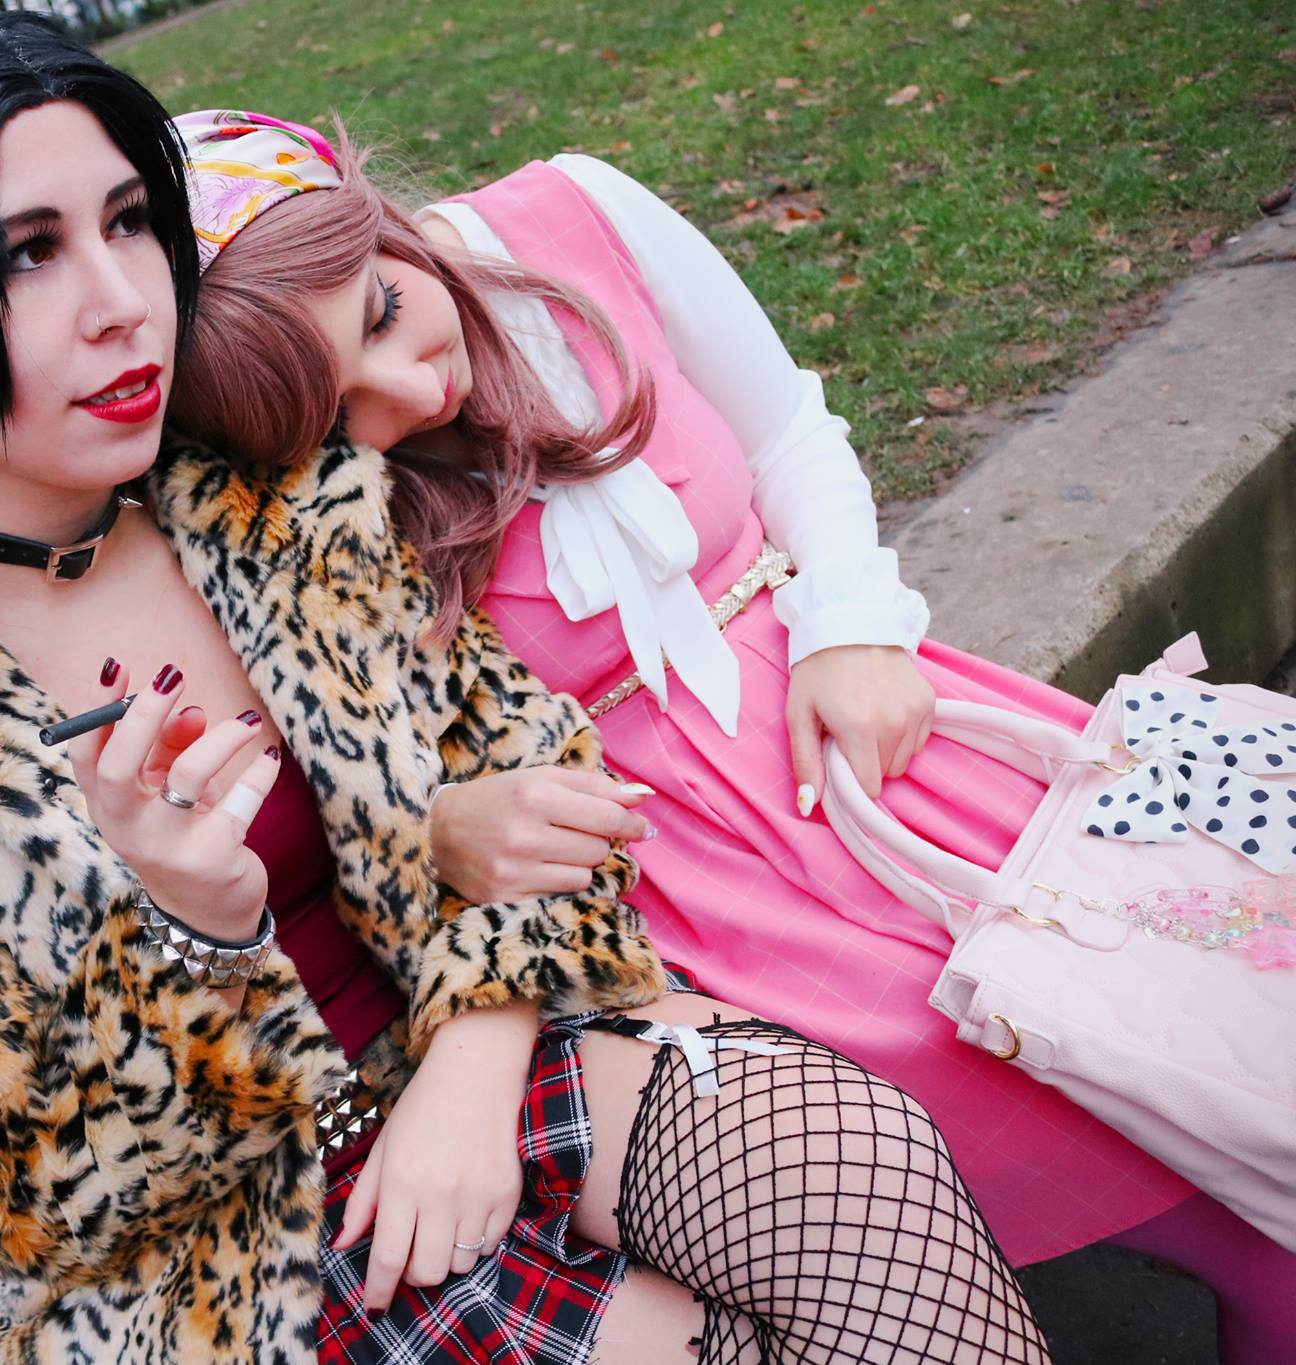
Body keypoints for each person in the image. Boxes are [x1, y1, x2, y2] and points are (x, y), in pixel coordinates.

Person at [0, 15, 1054, 1363]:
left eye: (128, 222)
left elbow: (531, 763)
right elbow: (21, 1196)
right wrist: (194, 930)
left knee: (858, 1172)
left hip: (485, 1034)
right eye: (28, 253)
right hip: (229, 1249)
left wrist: (472, 1051)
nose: (123, 300)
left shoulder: (252, 489)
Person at [169, 110, 1296, 1362]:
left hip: (865, 746)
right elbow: (350, 748)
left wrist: (850, 623)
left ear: (373, 215)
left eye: (384, 313)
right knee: (1070, 1137)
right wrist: (440, 826)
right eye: (340, 412)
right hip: (678, 886)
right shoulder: (275, 500)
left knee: (1217, 1040)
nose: (412, 394)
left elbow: (786, 428)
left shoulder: (571, 218)